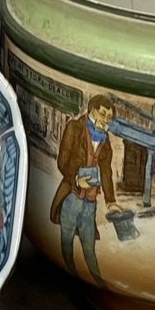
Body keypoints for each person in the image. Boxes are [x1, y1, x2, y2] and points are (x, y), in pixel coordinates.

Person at [50, 93, 116, 284]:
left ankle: (97, 280)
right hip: (72, 194)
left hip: (90, 200)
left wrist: (111, 202)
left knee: (89, 245)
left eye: (109, 117)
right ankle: (71, 273)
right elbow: (62, 161)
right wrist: (77, 180)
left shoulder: (105, 139)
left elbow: (106, 172)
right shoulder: (75, 127)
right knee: (66, 238)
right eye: (103, 114)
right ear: (92, 110)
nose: (105, 120)